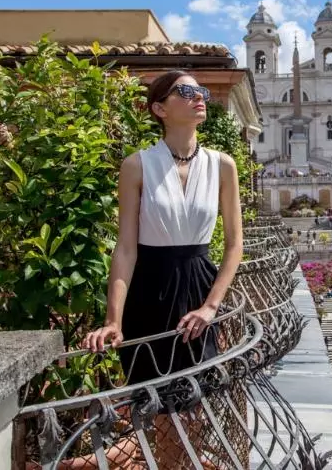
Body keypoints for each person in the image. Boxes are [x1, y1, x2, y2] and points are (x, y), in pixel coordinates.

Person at [82, 71, 243, 466]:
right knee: (156, 407)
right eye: (185, 92)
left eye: (201, 91)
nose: (199, 97)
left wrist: (211, 307)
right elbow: (125, 248)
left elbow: (235, 245)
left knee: (194, 406)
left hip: (199, 292)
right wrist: (113, 320)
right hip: (149, 293)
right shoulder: (137, 165)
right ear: (159, 108)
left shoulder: (223, 165)